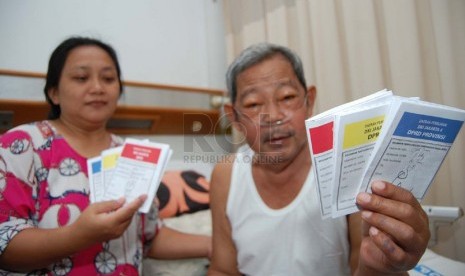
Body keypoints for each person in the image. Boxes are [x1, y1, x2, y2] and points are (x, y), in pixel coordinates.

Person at [207, 42, 430, 275]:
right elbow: (223, 269)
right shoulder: (227, 174)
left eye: (286, 97)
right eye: (253, 104)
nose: (272, 116)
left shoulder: (347, 168)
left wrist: (383, 266)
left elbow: (365, 265)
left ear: (309, 101)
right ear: (233, 116)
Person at [0, 36, 210, 275]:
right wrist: (78, 236)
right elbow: (4, 244)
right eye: (81, 77)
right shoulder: (21, 145)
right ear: (54, 92)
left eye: (108, 78)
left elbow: (149, 237)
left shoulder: (133, 155)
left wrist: (214, 245)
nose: (98, 87)